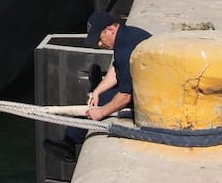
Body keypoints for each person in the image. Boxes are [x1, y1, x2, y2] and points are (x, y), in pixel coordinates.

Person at [44, 11, 153, 163]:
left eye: (100, 39)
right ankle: (69, 141)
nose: (99, 44)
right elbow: (116, 69)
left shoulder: (126, 50)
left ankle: (69, 144)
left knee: (97, 107)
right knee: (99, 98)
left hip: (150, 95)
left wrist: (101, 112)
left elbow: (126, 95)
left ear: (110, 30)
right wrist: (97, 91)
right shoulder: (128, 36)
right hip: (145, 84)